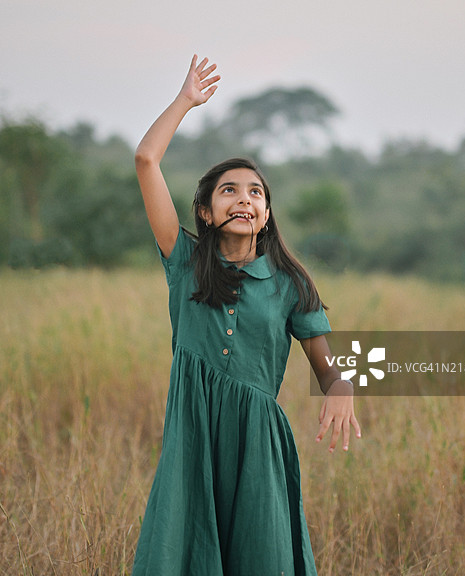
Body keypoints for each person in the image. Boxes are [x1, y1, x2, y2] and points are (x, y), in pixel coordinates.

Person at [132, 55, 361, 576]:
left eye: (256, 192)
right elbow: (147, 159)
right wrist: (185, 101)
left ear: (265, 213)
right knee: (181, 550)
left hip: (258, 443)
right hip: (193, 437)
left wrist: (342, 389)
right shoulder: (185, 264)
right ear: (207, 212)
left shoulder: (290, 284)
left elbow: (329, 371)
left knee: (261, 555)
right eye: (229, 190)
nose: (245, 199)